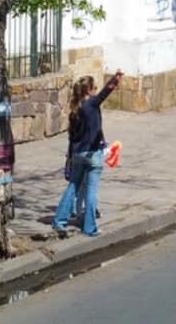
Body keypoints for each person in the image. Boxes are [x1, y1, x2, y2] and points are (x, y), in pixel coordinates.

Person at [52, 70, 125, 237]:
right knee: (91, 191)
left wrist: (70, 157)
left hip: (78, 154)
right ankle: (89, 227)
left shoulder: (74, 110)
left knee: (73, 187)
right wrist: (116, 79)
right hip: (93, 154)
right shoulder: (91, 104)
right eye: (94, 87)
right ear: (89, 90)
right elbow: (105, 93)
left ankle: (59, 221)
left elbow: (71, 137)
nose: (96, 90)